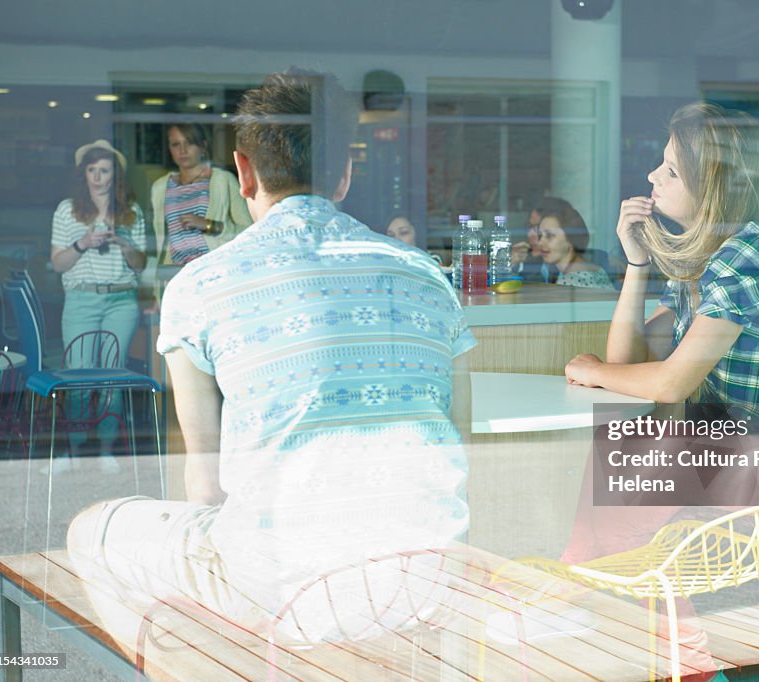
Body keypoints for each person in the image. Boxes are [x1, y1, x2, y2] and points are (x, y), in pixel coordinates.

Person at [66, 72, 476, 649]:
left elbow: (206, 487)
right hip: (426, 580)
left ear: (243, 170)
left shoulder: (200, 286)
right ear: (345, 173)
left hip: (288, 590)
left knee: (93, 530)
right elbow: (463, 442)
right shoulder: (427, 276)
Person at [560, 102, 759, 563]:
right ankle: (584, 582)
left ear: (709, 188)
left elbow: (671, 383)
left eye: (670, 171)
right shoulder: (704, 261)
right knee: (622, 444)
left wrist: (592, 371)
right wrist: (636, 264)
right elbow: (626, 366)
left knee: (650, 468)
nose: (652, 177)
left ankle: (581, 587)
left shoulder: (747, 255)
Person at [50, 139, 148, 474]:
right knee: (79, 374)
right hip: (80, 299)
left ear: (114, 175)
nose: (97, 176)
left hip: (121, 300)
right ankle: (73, 450)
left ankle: (106, 449)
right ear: (83, 174)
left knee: (112, 374)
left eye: (104, 170)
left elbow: (140, 264)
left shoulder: (131, 212)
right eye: (91, 170)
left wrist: (124, 243)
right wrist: (82, 243)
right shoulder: (67, 210)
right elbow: (59, 264)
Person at [148, 123, 252, 298]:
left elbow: (249, 231)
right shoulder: (160, 187)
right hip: (176, 276)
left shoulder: (222, 180)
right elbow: (159, 243)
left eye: (189, 143)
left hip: (214, 272)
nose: (182, 150)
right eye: (175, 144)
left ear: (203, 146)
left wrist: (209, 225)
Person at [536, 199, 614, 290]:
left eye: (549, 236)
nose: (540, 242)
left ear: (570, 239)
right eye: (540, 235)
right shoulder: (597, 269)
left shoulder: (568, 283)